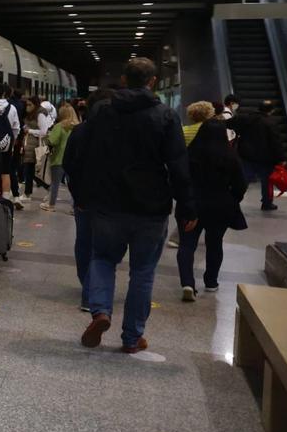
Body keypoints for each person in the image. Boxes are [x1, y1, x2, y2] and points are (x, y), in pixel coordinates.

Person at [64, 59, 195, 353]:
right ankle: (132, 337)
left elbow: (79, 154)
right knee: (143, 270)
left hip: (108, 204)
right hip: (151, 207)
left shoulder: (102, 113)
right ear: (152, 82)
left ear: (124, 79)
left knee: (102, 259)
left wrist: (81, 195)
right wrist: (187, 207)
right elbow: (178, 165)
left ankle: (100, 312)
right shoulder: (165, 116)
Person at [177, 119, 247, 301]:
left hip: (191, 205)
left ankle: (187, 283)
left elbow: (179, 181)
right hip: (220, 206)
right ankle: (211, 281)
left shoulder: (189, 155)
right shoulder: (230, 157)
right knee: (215, 243)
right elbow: (241, 184)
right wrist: (232, 199)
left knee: (187, 244)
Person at [63, 88, 115, 311]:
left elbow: (69, 165)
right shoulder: (121, 131)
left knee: (84, 242)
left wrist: (78, 194)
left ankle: (88, 287)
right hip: (113, 202)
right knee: (103, 248)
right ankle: (95, 293)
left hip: (84, 200)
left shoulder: (80, 131)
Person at [228, 100, 284, 211]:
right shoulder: (270, 123)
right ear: (271, 110)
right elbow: (275, 143)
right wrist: (280, 158)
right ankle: (267, 203)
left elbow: (229, 123)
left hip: (246, 155)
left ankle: (232, 201)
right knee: (267, 182)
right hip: (265, 159)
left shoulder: (246, 118)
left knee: (244, 180)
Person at [41, 102, 79, 212]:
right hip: (74, 160)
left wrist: (47, 137)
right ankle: (74, 207)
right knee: (73, 185)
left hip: (58, 159)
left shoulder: (59, 126)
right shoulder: (78, 126)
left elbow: (53, 141)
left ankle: (51, 205)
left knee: (55, 184)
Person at [0, 83, 22, 206]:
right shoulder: (11, 108)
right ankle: (6, 199)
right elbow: (16, 127)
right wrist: (11, 141)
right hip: (6, 143)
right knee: (5, 171)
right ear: (4, 93)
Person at [19, 97, 49, 203]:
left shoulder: (40, 114)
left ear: (35, 105)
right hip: (29, 144)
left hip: (36, 146)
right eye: (27, 104)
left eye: (30, 104)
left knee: (32, 170)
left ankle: (47, 188)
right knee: (30, 170)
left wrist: (30, 130)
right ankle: (29, 192)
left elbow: (44, 131)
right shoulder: (32, 114)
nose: (27, 107)